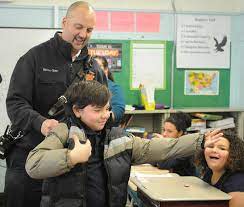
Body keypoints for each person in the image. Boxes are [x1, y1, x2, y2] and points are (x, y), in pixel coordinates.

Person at [25, 80, 222, 207]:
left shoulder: (118, 137)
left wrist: (200, 140)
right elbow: (33, 164)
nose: (104, 115)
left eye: (107, 109)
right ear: (77, 111)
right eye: (97, 110)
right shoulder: (63, 132)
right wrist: (71, 157)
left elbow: (162, 148)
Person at [5, 2, 107, 207]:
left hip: (70, 165)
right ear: (65, 22)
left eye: (89, 29)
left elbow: (104, 108)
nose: (83, 34)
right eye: (78, 27)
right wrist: (41, 123)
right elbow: (15, 103)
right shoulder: (34, 58)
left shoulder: (93, 68)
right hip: (29, 158)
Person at [195, 129, 244, 207]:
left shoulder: (237, 183)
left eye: (222, 148)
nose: (214, 150)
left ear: (233, 155)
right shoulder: (209, 173)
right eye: (210, 146)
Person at [94, 56, 125, 126]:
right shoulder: (87, 88)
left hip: (107, 129)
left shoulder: (114, 88)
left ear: (106, 69)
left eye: (98, 66)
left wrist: (100, 116)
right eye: (92, 66)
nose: (95, 69)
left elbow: (118, 111)